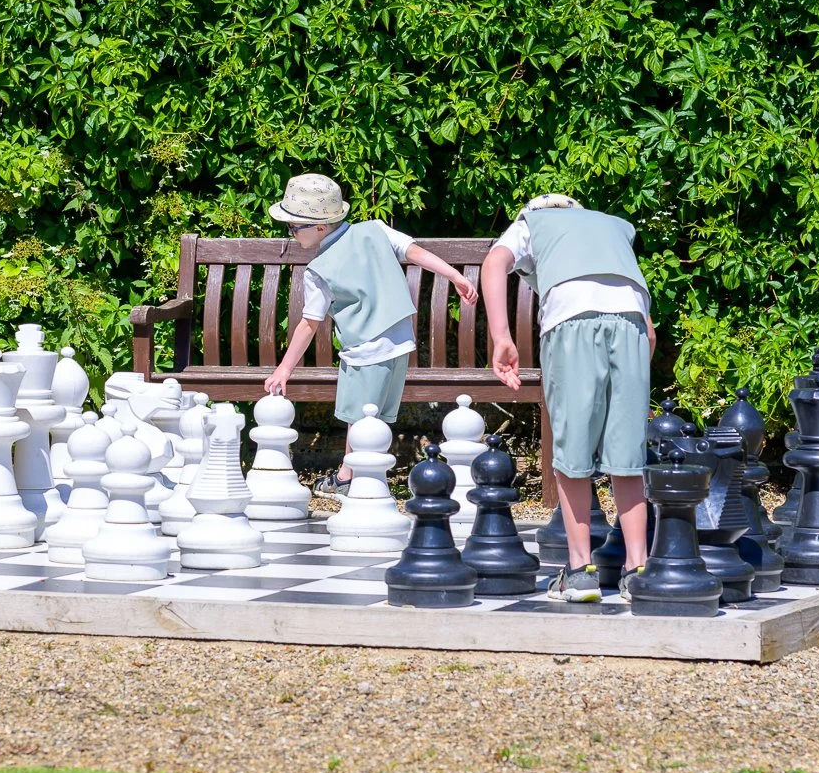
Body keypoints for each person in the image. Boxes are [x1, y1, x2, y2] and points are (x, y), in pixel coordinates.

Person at [482, 193, 657, 603]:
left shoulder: (532, 221)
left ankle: (580, 572)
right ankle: (639, 569)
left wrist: (502, 338)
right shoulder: (608, 223)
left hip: (572, 322)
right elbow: (649, 331)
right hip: (631, 321)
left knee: (572, 446)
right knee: (627, 450)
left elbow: (494, 263)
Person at [261, 173, 478, 496]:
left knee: (359, 416)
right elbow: (414, 251)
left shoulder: (318, 270)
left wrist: (285, 368)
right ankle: (354, 474)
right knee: (375, 416)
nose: (291, 234)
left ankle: (354, 478)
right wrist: (454, 275)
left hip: (363, 349)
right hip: (400, 342)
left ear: (319, 227)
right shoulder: (375, 229)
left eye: (294, 227)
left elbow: (310, 323)